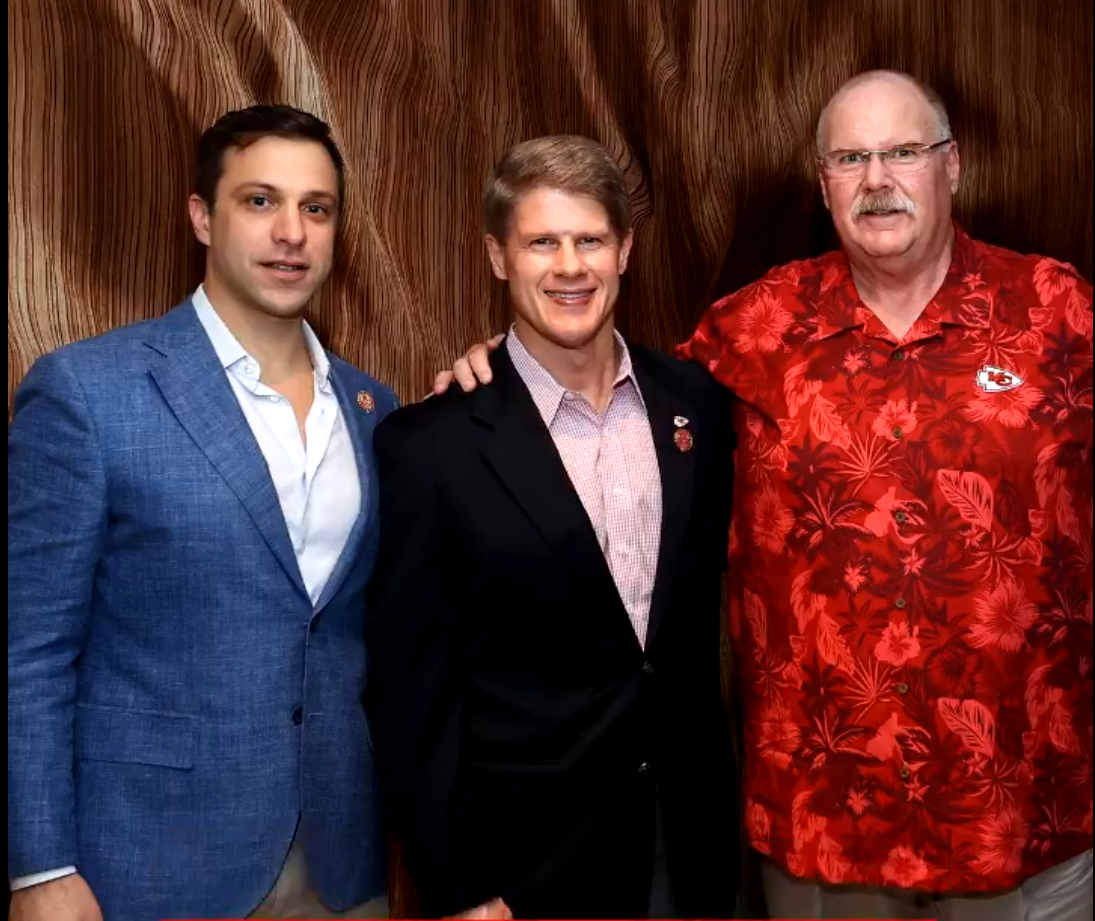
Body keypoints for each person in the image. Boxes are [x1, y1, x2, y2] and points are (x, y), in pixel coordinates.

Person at [435, 71, 1093, 920]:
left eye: (902, 152)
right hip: (823, 824)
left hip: (1022, 817)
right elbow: (614, 392)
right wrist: (508, 362)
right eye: (850, 158)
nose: (877, 179)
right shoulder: (755, 327)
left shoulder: (1059, 311)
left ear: (953, 166)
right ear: (822, 184)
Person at [8, 105, 395, 921]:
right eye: (260, 201)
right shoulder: (88, 392)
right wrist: (39, 866)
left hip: (341, 865)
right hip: (149, 865)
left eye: (315, 208)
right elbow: (28, 650)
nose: (291, 231)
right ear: (200, 217)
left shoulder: (374, 411)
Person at [365, 135, 740, 920]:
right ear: (499, 256)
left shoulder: (696, 407)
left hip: (689, 841)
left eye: (590, 240)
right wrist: (460, 883)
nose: (569, 267)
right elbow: (411, 695)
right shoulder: (432, 445)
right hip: (524, 862)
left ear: (624, 249)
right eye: (541, 241)